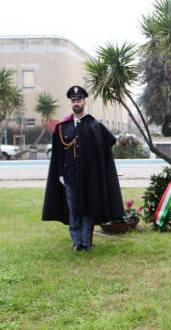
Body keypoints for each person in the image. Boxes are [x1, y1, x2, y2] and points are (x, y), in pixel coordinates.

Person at [42, 85, 124, 251]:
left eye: (79, 99)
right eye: (73, 100)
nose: (76, 102)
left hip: (90, 177)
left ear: (84, 102)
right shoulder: (62, 127)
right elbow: (58, 153)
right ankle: (77, 241)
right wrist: (60, 174)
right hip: (70, 176)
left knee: (88, 209)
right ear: (71, 103)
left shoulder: (94, 125)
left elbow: (108, 144)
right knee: (74, 209)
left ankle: (86, 242)